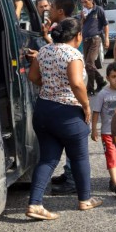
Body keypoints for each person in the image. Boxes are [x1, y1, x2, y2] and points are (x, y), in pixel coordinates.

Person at [26, 18, 103, 220]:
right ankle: (85, 199)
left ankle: (35, 204)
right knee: (79, 157)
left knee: (48, 159)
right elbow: (77, 83)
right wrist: (86, 105)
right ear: (78, 36)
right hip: (67, 113)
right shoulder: (73, 54)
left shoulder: (44, 50)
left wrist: (50, 84)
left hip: (43, 110)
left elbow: (33, 77)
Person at [90, 61, 116, 197]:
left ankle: (113, 179)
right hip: (107, 132)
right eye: (113, 77)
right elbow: (96, 112)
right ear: (107, 78)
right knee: (111, 156)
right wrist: (94, 129)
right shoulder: (103, 94)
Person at [79, 0, 109, 96]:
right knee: (89, 65)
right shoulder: (84, 11)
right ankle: (101, 81)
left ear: (91, 0)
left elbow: (105, 25)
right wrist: (83, 17)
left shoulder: (98, 10)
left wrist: (107, 39)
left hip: (95, 39)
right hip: (85, 39)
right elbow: (81, 25)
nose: (84, 4)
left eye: (86, 2)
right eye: (82, 2)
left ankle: (90, 88)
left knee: (89, 63)